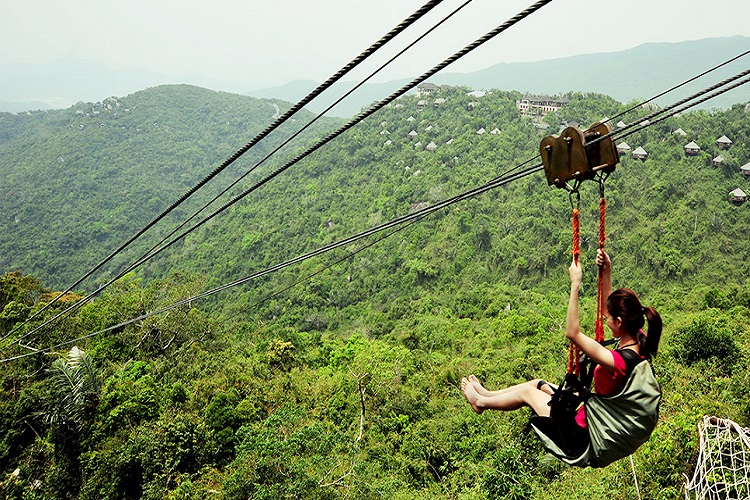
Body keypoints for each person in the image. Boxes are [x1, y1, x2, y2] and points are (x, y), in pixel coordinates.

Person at [461, 249, 662, 456]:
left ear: (619, 322)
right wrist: (606, 271)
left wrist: (575, 285)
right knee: (537, 384)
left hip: (582, 435)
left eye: (609, 318)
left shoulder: (618, 362)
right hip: (587, 409)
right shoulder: (639, 338)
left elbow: (572, 333)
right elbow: (609, 307)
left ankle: (480, 402)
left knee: (528, 393)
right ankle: (487, 395)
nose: (605, 318)